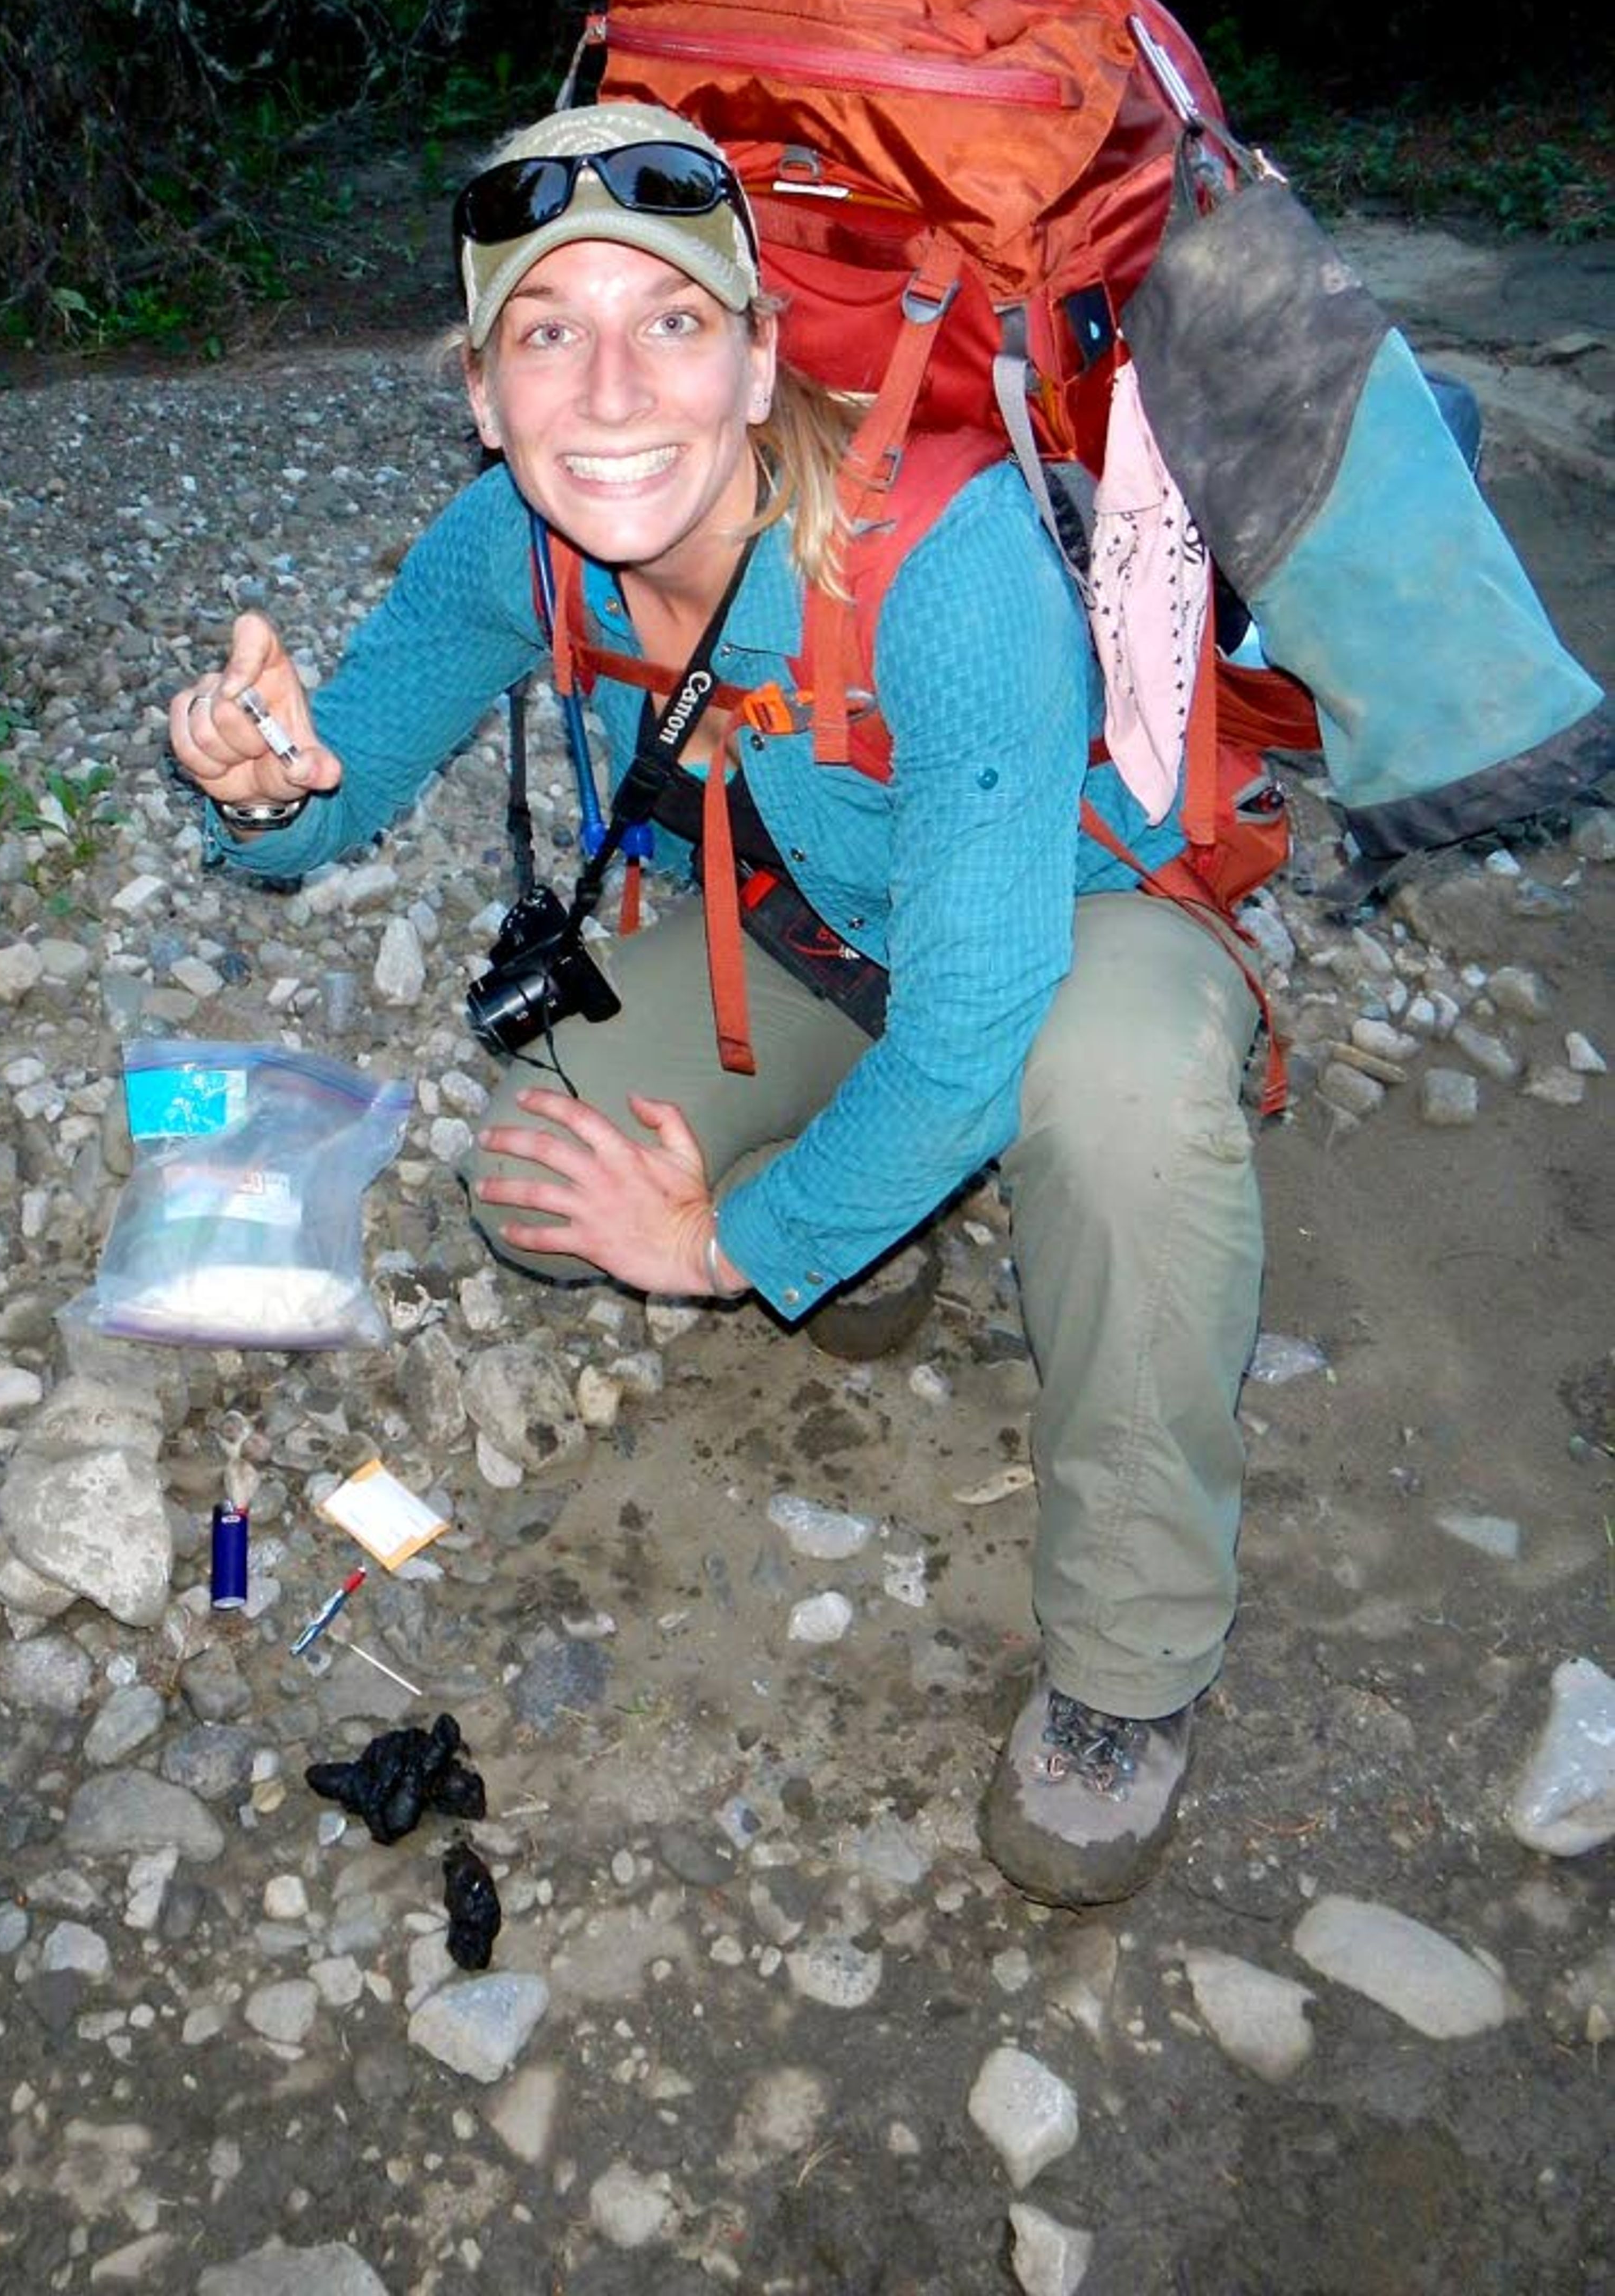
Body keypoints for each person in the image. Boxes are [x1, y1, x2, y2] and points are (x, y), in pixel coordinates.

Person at [168, 99, 1266, 1906]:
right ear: (480, 391)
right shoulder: (511, 545)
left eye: (671, 324)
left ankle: (1127, 1675)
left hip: (1075, 932)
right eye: (548, 335)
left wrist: (732, 1245)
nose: (609, 393)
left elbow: (979, 1010)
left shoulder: (945, 560)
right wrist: (257, 780)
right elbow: (332, 793)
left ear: (759, 363)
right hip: (821, 932)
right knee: (537, 1185)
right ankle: (881, 1214)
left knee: (1112, 1091)